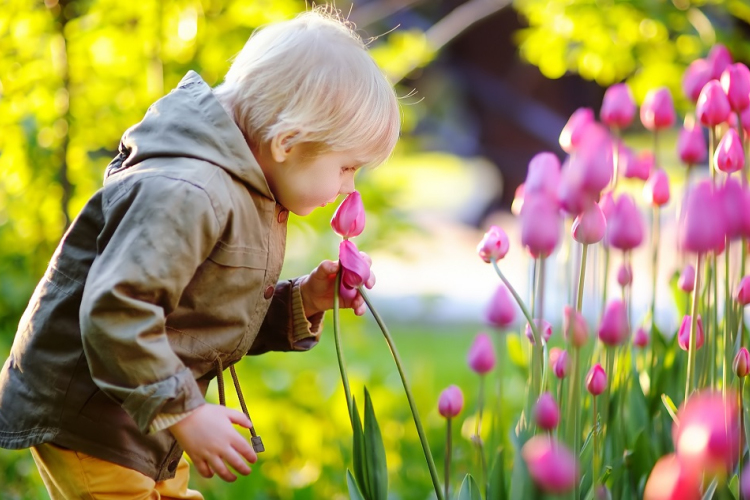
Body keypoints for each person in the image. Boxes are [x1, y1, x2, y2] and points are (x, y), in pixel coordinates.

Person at [0, 6, 400, 499]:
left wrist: (305, 301)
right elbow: (115, 311)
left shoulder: (245, 187)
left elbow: (198, 316)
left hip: (143, 412)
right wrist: (188, 414)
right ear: (288, 142)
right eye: (346, 167)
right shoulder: (187, 191)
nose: (348, 187)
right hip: (97, 415)